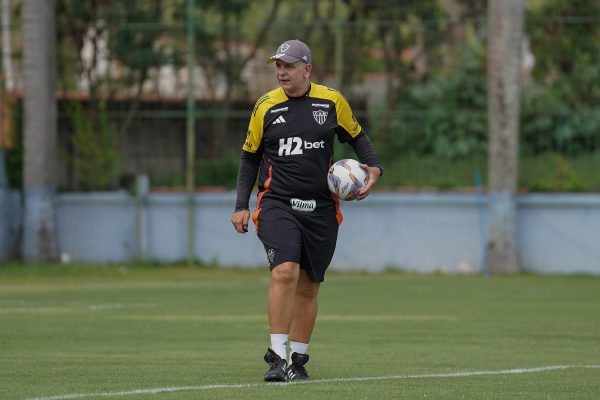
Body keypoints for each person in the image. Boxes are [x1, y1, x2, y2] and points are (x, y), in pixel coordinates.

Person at [231, 39, 383, 382]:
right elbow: (249, 156)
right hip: (277, 203)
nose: (281, 72)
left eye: (288, 66)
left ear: (307, 69)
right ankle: (276, 357)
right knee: (284, 271)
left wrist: (373, 167)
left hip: (321, 209)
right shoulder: (265, 107)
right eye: (278, 66)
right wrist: (242, 205)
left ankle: (298, 360)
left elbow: (357, 137)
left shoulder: (331, 101)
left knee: (309, 285)